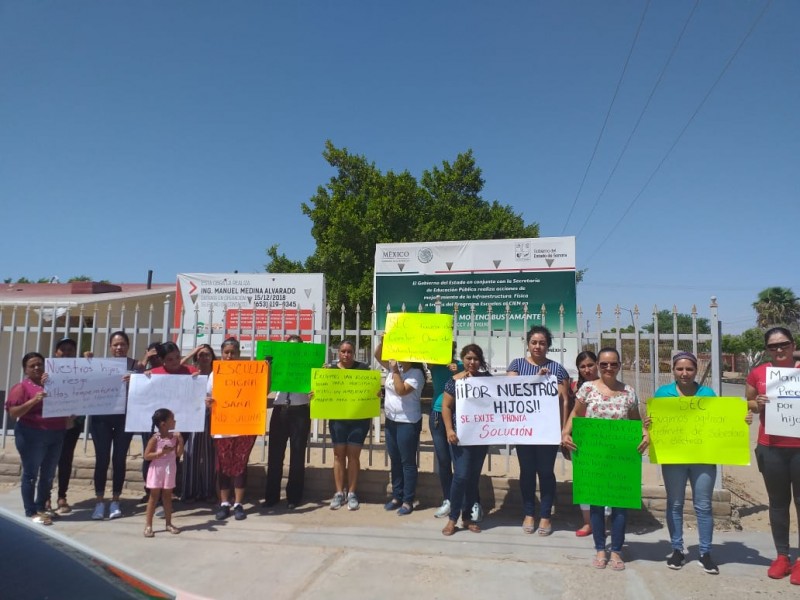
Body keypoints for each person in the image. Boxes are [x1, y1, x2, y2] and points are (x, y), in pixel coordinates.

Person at [653, 350, 744, 575]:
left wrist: (741, 419)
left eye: (689, 369)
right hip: (674, 459)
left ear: (696, 370)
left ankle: (705, 552)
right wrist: (649, 421)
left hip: (703, 459)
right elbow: (654, 423)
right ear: (673, 370)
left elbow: (720, 424)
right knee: (674, 504)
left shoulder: (708, 394)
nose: (684, 373)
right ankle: (677, 549)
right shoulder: (663, 394)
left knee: (703, 505)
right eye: (680, 368)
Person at [561, 347, 649, 571]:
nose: (608, 368)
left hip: (620, 458)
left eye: (613, 364)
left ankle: (617, 551)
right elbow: (576, 414)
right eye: (604, 364)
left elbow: (634, 421)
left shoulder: (629, 392)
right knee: (597, 505)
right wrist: (565, 433)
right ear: (598, 366)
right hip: (594, 456)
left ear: (619, 365)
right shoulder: (587, 389)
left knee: (620, 507)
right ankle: (601, 548)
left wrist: (645, 434)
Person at [746, 327, 800, 583]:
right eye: (773, 346)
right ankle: (782, 556)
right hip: (771, 446)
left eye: (784, 344)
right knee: (778, 503)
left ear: (792, 345)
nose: (779, 350)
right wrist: (759, 403)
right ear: (767, 349)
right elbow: (750, 404)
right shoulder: (758, 373)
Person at [507, 325, 570, 536]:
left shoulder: (557, 369)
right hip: (523, 429)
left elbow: (564, 400)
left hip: (547, 431)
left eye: (542, 343)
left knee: (545, 472)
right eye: (534, 342)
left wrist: (563, 430)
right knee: (526, 472)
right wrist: (536, 379)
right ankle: (528, 513)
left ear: (548, 346)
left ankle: (545, 515)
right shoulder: (516, 364)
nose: (538, 346)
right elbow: (509, 390)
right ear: (528, 344)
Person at [5, 352, 68, 525]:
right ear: (25, 369)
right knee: (31, 474)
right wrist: (33, 401)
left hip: (56, 433)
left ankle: (42, 507)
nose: (37, 368)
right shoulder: (21, 388)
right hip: (31, 435)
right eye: (32, 365)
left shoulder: (54, 385)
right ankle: (31, 511)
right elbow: (13, 413)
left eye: (39, 364)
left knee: (48, 475)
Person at [90, 331, 142, 521]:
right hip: (101, 419)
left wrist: (135, 379)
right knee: (101, 459)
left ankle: (115, 500)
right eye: (115, 344)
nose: (119, 347)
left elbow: (146, 386)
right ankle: (99, 501)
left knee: (119, 459)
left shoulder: (137, 365)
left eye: (122, 344)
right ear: (110, 347)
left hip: (124, 419)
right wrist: (88, 362)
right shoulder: (99, 365)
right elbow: (85, 380)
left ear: (128, 346)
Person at [440, 344, 491, 535]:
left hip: (481, 435)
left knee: (472, 478)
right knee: (460, 476)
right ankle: (453, 518)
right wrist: (449, 430)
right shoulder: (455, 381)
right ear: (463, 359)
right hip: (460, 436)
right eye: (468, 358)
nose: (472, 362)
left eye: (476, 359)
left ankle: (467, 517)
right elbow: (446, 407)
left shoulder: (487, 380)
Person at [207, 338, 259, 521]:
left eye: (233, 353)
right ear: (222, 354)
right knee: (222, 466)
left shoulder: (249, 372)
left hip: (243, 427)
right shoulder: (215, 373)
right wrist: (208, 402)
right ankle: (224, 503)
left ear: (239, 354)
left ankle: (238, 503)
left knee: (240, 466)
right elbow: (208, 396)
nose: (229, 356)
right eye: (226, 352)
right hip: (223, 426)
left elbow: (258, 394)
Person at [374, 339, 425, 516]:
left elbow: (401, 390)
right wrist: (383, 342)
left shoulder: (416, 373)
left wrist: (395, 370)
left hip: (407, 422)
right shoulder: (395, 370)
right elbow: (377, 355)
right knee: (395, 459)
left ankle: (408, 500)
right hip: (391, 420)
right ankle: (397, 495)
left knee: (407, 462)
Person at [264, 335, 312, 510]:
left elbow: (317, 386)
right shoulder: (278, 363)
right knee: (275, 455)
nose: (293, 350)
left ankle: (294, 496)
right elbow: (266, 387)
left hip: (301, 410)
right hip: (280, 410)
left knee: (297, 455)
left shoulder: (308, 364)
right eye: (290, 347)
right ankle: (271, 496)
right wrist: (268, 367)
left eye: (296, 347)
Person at [327, 340, 372, 511]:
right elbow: (324, 391)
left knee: (353, 456)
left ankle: (352, 493)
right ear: (338, 353)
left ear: (354, 353)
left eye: (349, 351)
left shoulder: (363, 369)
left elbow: (371, 391)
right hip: (338, 419)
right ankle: (339, 493)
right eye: (343, 351)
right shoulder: (330, 371)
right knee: (338, 455)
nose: (346, 354)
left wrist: (375, 392)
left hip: (358, 420)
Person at [428, 344, 465, 519]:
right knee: (443, 461)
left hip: (457, 415)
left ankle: (462, 500)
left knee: (459, 462)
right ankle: (448, 499)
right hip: (437, 414)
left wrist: (458, 369)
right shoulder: (433, 364)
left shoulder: (461, 365)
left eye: (449, 348)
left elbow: (474, 376)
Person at [49, 337, 84, 515]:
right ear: (56, 352)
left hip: (73, 422)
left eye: (71, 349)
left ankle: (62, 496)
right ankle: (45, 496)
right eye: (63, 349)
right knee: (48, 459)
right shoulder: (47, 371)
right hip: (51, 423)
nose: (67, 352)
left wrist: (90, 361)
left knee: (66, 458)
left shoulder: (81, 370)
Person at [180, 344, 217, 503]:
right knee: (191, 453)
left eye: (207, 354)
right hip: (192, 417)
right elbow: (177, 367)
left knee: (209, 455)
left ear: (212, 357)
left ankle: (208, 492)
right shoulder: (190, 372)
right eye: (201, 355)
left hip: (211, 416)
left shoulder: (217, 374)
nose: (204, 357)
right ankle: (189, 492)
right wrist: (191, 353)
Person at [143, 408, 184, 538]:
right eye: (172, 419)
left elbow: (178, 453)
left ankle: (168, 523)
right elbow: (146, 456)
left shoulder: (174, 437)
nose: (175, 421)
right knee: (154, 497)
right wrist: (161, 453)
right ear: (163, 423)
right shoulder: (155, 438)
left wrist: (181, 441)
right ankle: (148, 525)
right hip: (157, 470)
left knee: (167, 496)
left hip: (169, 469)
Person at [571, 350, 598, 537]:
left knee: (606, 482)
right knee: (585, 482)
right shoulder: (576, 388)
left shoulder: (612, 386)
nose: (587, 369)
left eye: (590, 365)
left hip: (607, 443)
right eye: (582, 367)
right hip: (583, 442)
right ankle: (588, 523)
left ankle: (602, 522)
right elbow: (573, 414)